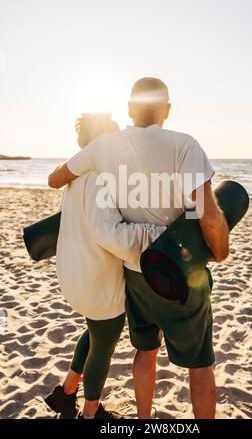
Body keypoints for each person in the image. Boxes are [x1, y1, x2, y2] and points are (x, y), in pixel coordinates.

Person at [48, 78, 229, 419]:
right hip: (181, 273)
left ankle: (144, 420)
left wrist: (84, 163)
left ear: (129, 109)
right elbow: (208, 218)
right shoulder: (185, 145)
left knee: (145, 353)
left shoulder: (105, 148)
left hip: (135, 276)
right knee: (200, 364)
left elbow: (55, 178)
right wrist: (220, 252)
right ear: (168, 111)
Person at [45, 112, 164, 419]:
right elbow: (109, 234)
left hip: (78, 273)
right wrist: (156, 234)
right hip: (98, 279)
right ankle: (90, 414)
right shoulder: (101, 178)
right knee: (103, 347)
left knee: (95, 332)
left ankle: (66, 393)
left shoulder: (77, 173)